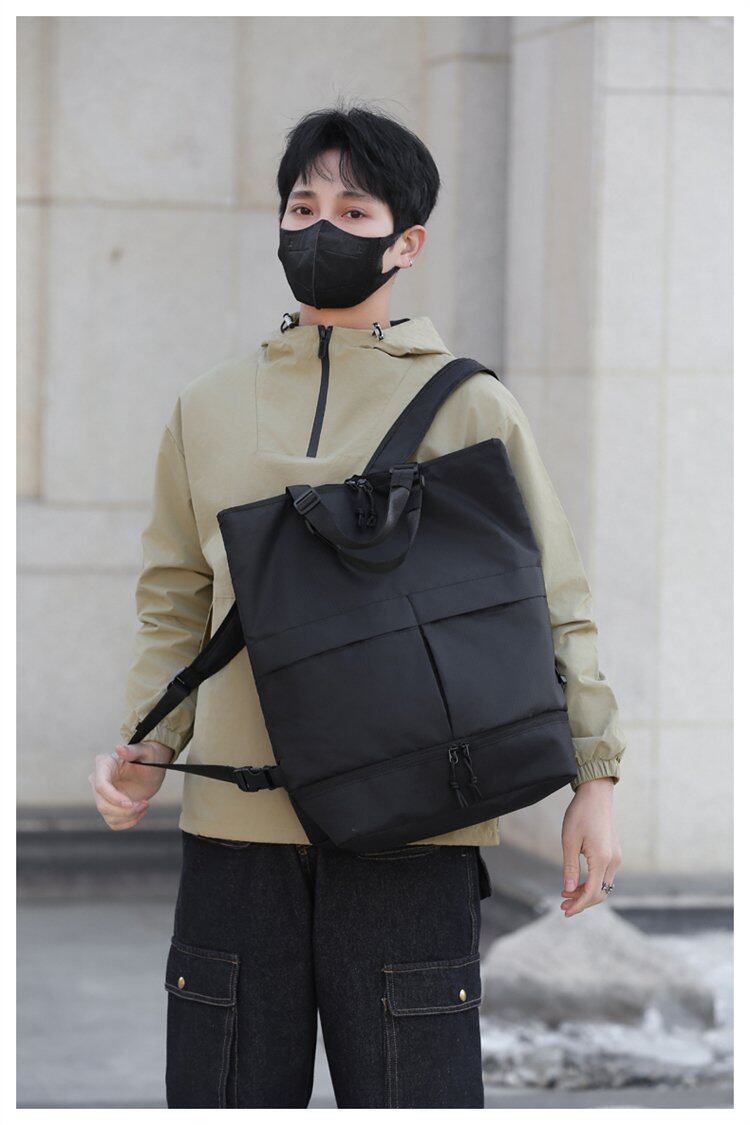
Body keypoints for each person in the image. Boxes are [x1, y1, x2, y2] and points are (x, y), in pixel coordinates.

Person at [89, 104, 625, 1109]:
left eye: (352, 209)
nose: (320, 227)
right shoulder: (206, 407)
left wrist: (593, 778)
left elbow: (552, 596)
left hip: (416, 825)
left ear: (406, 242)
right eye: (302, 206)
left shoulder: (469, 404)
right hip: (237, 832)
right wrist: (147, 742)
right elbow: (176, 600)